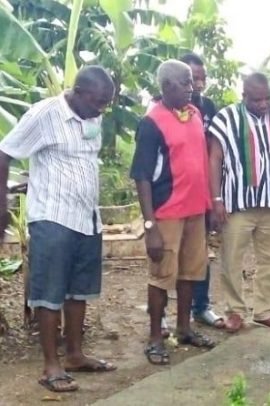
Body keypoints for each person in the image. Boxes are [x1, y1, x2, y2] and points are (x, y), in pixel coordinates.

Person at [0, 66, 116, 392]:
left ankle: (75, 355)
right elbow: (4, 154)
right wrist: (2, 204)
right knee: (49, 293)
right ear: (78, 93)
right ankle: (51, 366)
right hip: (52, 216)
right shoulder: (45, 114)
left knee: (79, 290)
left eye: (106, 103)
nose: (102, 109)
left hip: (86, 217)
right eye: (98, 102)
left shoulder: (94, 114)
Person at [131, 60, 215, 366]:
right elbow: (141, 175)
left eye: (192, 82)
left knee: (190, 273)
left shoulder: (194, 115)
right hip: (167, 212)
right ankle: (155, 338)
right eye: (185, 83)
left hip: (195, 211)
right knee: (161, 276)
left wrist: (209, 207)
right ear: (167, 86)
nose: (192, 88)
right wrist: (150, 224)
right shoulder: (152, 123)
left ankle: (184, 329)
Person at [207, 73, 270, 332]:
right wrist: (216, 199)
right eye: (257, 99)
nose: (263, 104)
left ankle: (265, 310)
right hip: (239, 202)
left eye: (267, 98)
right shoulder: (226, 118)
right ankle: (235, 310)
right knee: (232, 259)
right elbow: (214, 158)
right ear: (244, 95)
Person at [180, 52, 223, 330]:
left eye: (202, 78)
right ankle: (168, 313)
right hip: (174, 193)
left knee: (200, 250)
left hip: (203, 190)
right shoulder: (161, 108)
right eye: (193, 78)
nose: (198, 83)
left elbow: (216, 150)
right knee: (172, 255)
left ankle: (201, 306)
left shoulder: (209, 107)